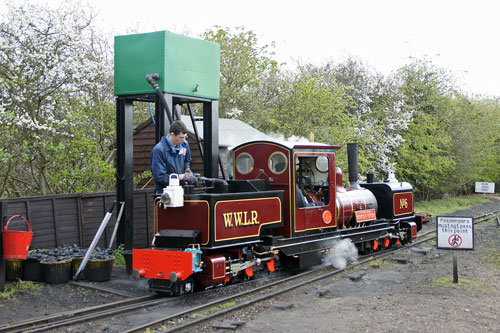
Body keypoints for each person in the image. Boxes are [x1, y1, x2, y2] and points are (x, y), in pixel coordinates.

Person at [151, 120, 193, 194]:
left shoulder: (184, 145)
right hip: (164, 193)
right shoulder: (159, 150)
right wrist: (182, 177)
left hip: (180, 191)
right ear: (172, 134)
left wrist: (187, 169)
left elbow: (187, 160)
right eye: (181, 137)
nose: (184, 140)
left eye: (185, 137)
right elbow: (160, 177)